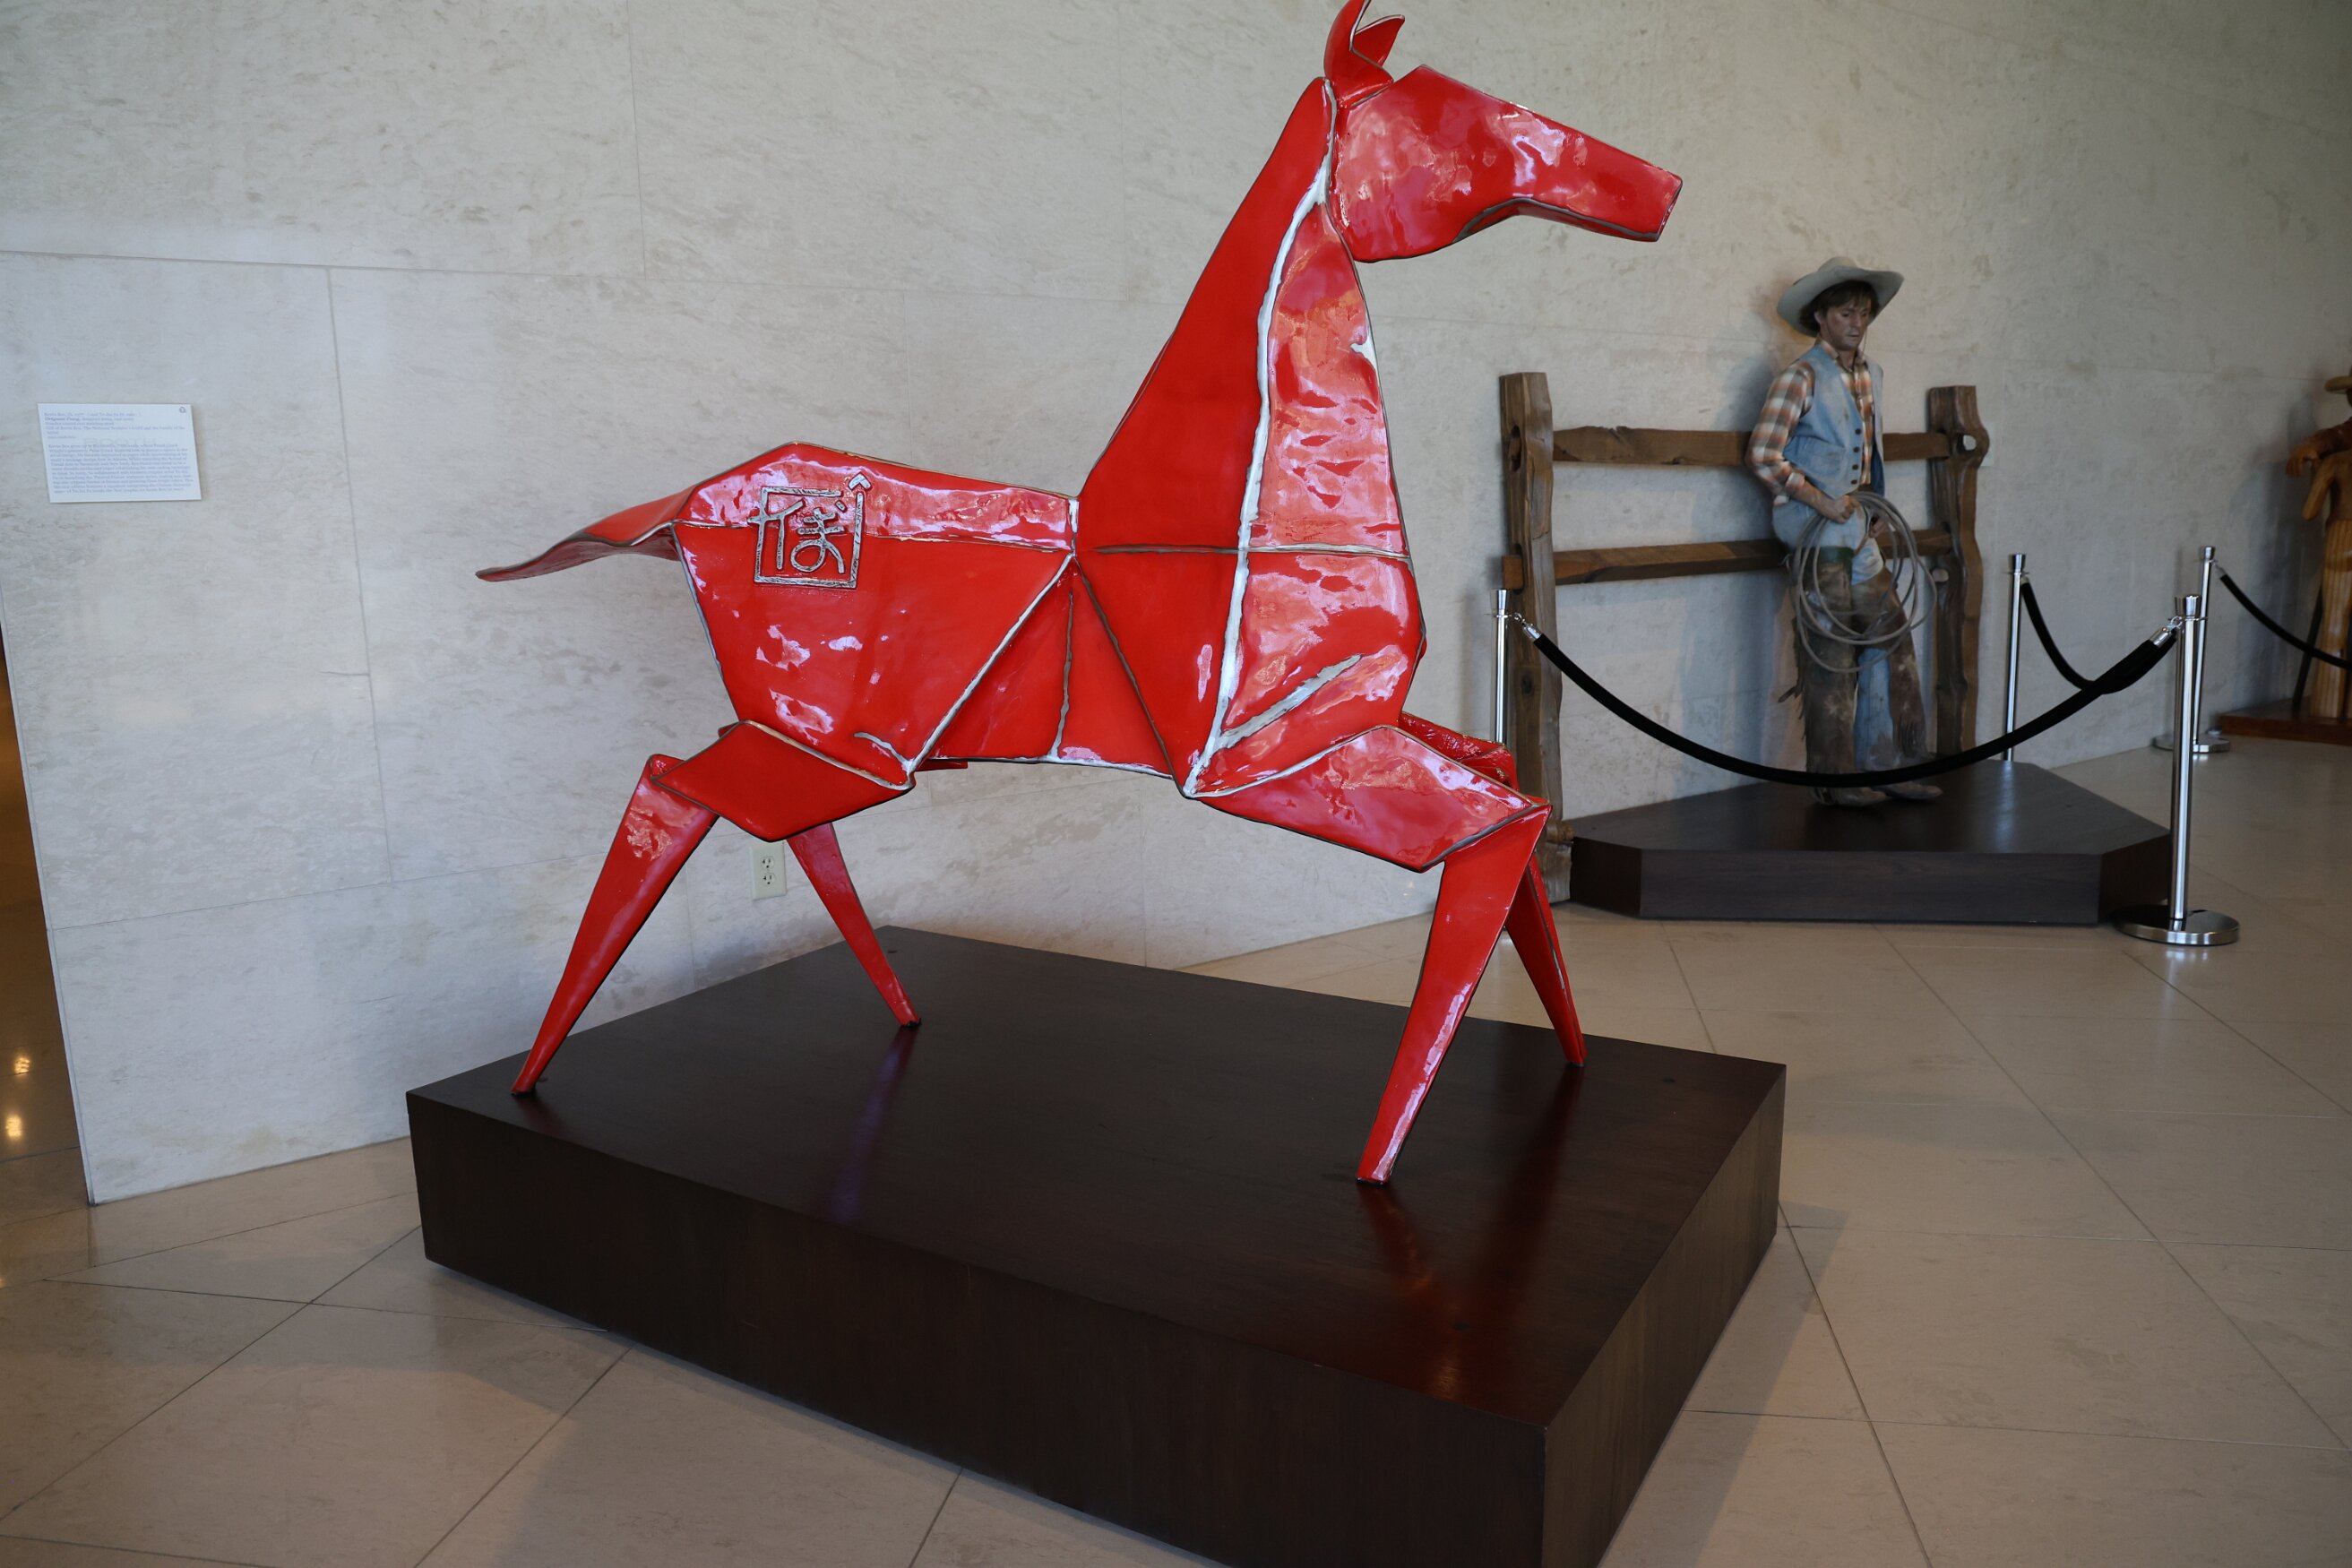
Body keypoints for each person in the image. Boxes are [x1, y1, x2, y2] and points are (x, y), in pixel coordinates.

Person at [1748, 257, 1939, 806]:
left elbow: (1870, 446)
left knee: (1890, 636)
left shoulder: (1870, 374)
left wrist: (1875, 502)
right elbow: (1763, 454)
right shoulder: (1800, 377)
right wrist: (1817, 499)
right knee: (1830, 649)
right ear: (1820, 317)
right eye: (1845, 313)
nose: (1857, 323)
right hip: (1813, 527)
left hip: (1855, 524)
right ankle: (1834, 781)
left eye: (1863, 313)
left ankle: (1887, 763)